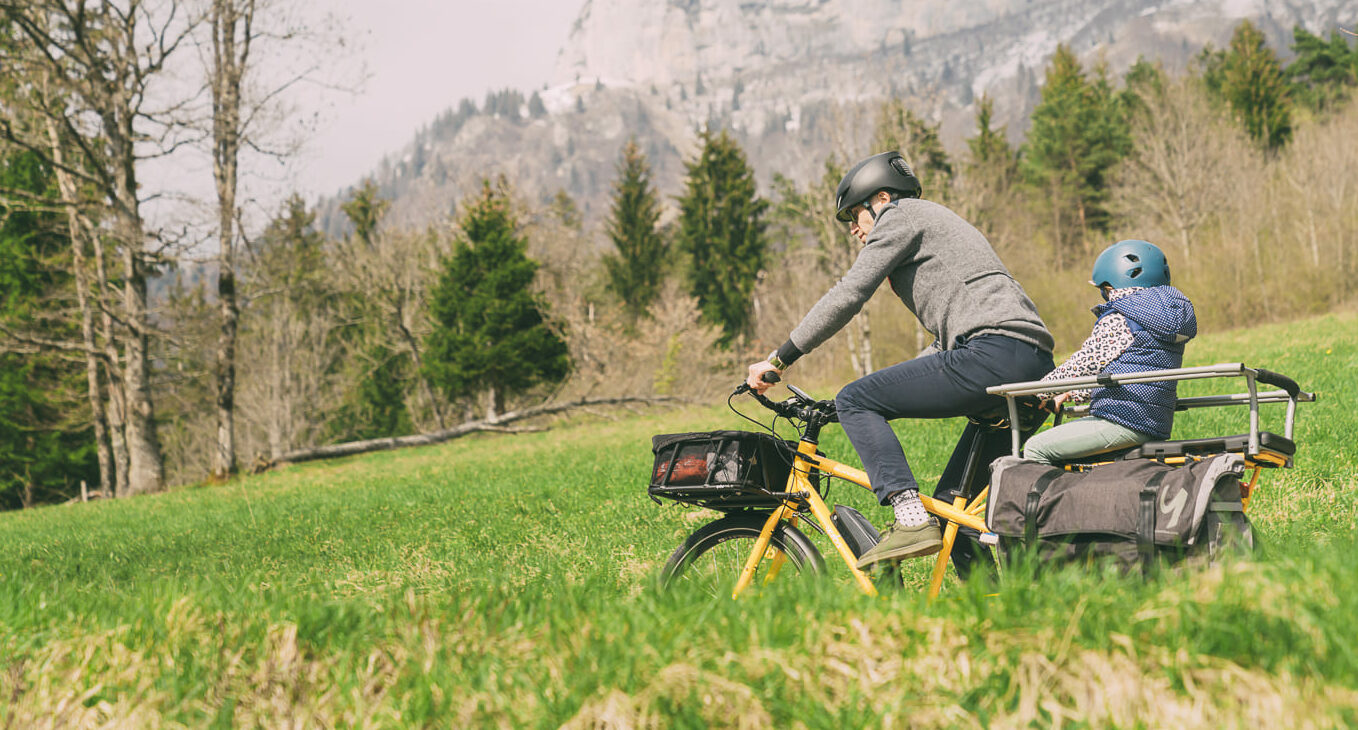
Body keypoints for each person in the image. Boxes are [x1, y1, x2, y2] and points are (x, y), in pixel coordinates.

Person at [746, 151, 1055, 570]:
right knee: (953, 518)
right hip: (1028, 364)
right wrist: (867, 399)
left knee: (857, 398)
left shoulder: (901, 216)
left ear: (883, 199)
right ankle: (993, 612)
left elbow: (849, 294)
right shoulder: (935, 223)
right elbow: (945, 346)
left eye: (855, 215)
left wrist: (780, 359)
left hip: (992, 354)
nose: (854, 228)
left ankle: (908, 516)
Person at [1023, 239, 1197, 465]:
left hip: (1122, 421)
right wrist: (1071, 394)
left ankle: (1047, 501)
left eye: (1103, 290)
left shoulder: (1123, 317)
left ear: (1111, 286)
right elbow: (1130, 371)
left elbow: (1086, 362)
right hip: (1149, 422)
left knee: (1036, 448)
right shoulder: (1161, 317)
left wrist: (1039, 391)